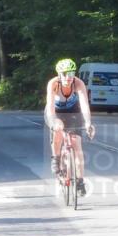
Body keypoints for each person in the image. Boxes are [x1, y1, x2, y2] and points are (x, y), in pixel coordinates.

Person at [44, 58, 95, 196]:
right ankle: (56, 158)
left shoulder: (78, 83)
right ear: (59, 75)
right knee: (58, 132)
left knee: (76, 144)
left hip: (73, 112)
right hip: (55, 113)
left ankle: (79, 182)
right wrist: (54, 121)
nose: (68, 77)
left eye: (71, 74)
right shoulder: (53, 84)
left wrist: (88, 122)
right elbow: (50, 107)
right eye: (65, 74)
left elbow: (84, 105)